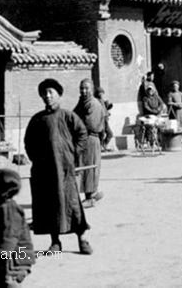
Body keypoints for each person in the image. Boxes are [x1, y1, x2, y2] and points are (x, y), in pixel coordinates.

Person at [24, 78, 92, 254]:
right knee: (49, 205)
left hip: (65, 170)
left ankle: (82, 239)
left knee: (72, 204)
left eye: (51, 93)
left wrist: (73, 154)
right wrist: (37, 160)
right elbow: (28, 142)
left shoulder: (68, 116)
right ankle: (55, 242)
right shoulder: (37, 120)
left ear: (59, 95)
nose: (47, 96)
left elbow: (82, 134)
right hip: (44, 171)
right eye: (44, 93)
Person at [0, 168, 35, 287]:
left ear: (0, 189)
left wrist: (3, 255)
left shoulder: (8, 209)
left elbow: (10, 235)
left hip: (12, 260)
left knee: (8, 284)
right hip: (5, 260)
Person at [74, 79, 106, 208]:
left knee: (89, 167)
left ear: (92, 89)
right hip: (83, 139)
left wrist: (75, 126)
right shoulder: (82, 102)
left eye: (86, 88)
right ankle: (92, 192)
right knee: (83, 166)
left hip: (90, 138)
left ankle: (90, 196)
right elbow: (73, 115)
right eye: (82, 88)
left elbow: (89, 123)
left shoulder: (93, 104)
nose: (84, 91)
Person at [94, 86, 114, 152]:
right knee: (101, 134)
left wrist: (108, 108)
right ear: (97, 94)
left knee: (110, 134)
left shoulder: (102, 101)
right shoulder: (95, 101)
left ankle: (104, 145)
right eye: (100, 93)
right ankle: (100, 147)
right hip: (100, 120)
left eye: (102, 93)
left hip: (105, 119)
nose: (101, 94)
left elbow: (104, 109)